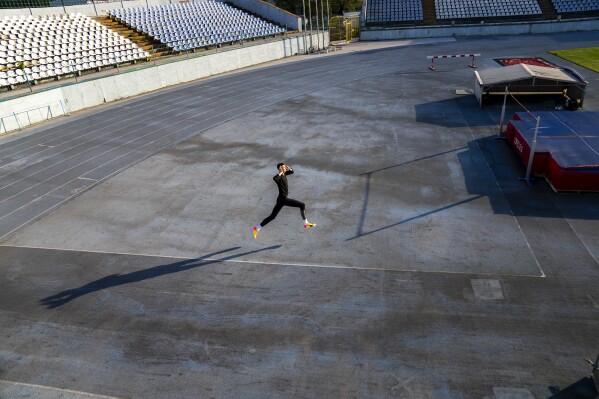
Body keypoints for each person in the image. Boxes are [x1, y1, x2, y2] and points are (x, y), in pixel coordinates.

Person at [253, 163, 316, 239]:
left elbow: (292, 171)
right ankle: (305, 223)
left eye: (285, 166)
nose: (285, 168)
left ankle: (257, 228)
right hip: (283, 199)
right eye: (283, 167)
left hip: (280, 199)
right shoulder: (279, 177)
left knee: (272, 216)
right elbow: (275, 179)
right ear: (279, 168)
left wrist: (288, 168)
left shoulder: (284, 174)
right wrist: (280, 171)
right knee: (302, 205)